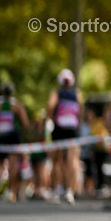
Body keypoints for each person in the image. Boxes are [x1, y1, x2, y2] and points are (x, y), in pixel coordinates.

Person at [46, 69, 83, 204]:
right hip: (73, 129)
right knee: (72, 160)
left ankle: (57, 189)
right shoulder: (77, 93)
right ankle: (69, 190)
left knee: (57, 160)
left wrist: (53, 119)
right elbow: (81, 110)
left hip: (59, 129)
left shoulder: (56, 93)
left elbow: (50, 107)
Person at [0, 83, 31, 202]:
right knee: (13, 164)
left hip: (0, 137)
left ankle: (1, 189)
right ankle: (10, 191)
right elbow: (26, 123)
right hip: (13, 137)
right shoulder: (17, 105)